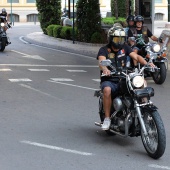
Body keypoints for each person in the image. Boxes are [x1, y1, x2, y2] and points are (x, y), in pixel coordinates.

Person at [97, 24, 155, 130]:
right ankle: (107, 118)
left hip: (125, 78)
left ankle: (146, 110)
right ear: (111, 38)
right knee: (107, 90)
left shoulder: (125, 48)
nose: (119, 41)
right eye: (116, 38)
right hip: (110, 79)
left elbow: (136, 56)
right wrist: (105, 69)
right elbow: (101, 61)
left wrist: (146, 63)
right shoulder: (104, 49)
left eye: (121, 39)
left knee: (142, 84)